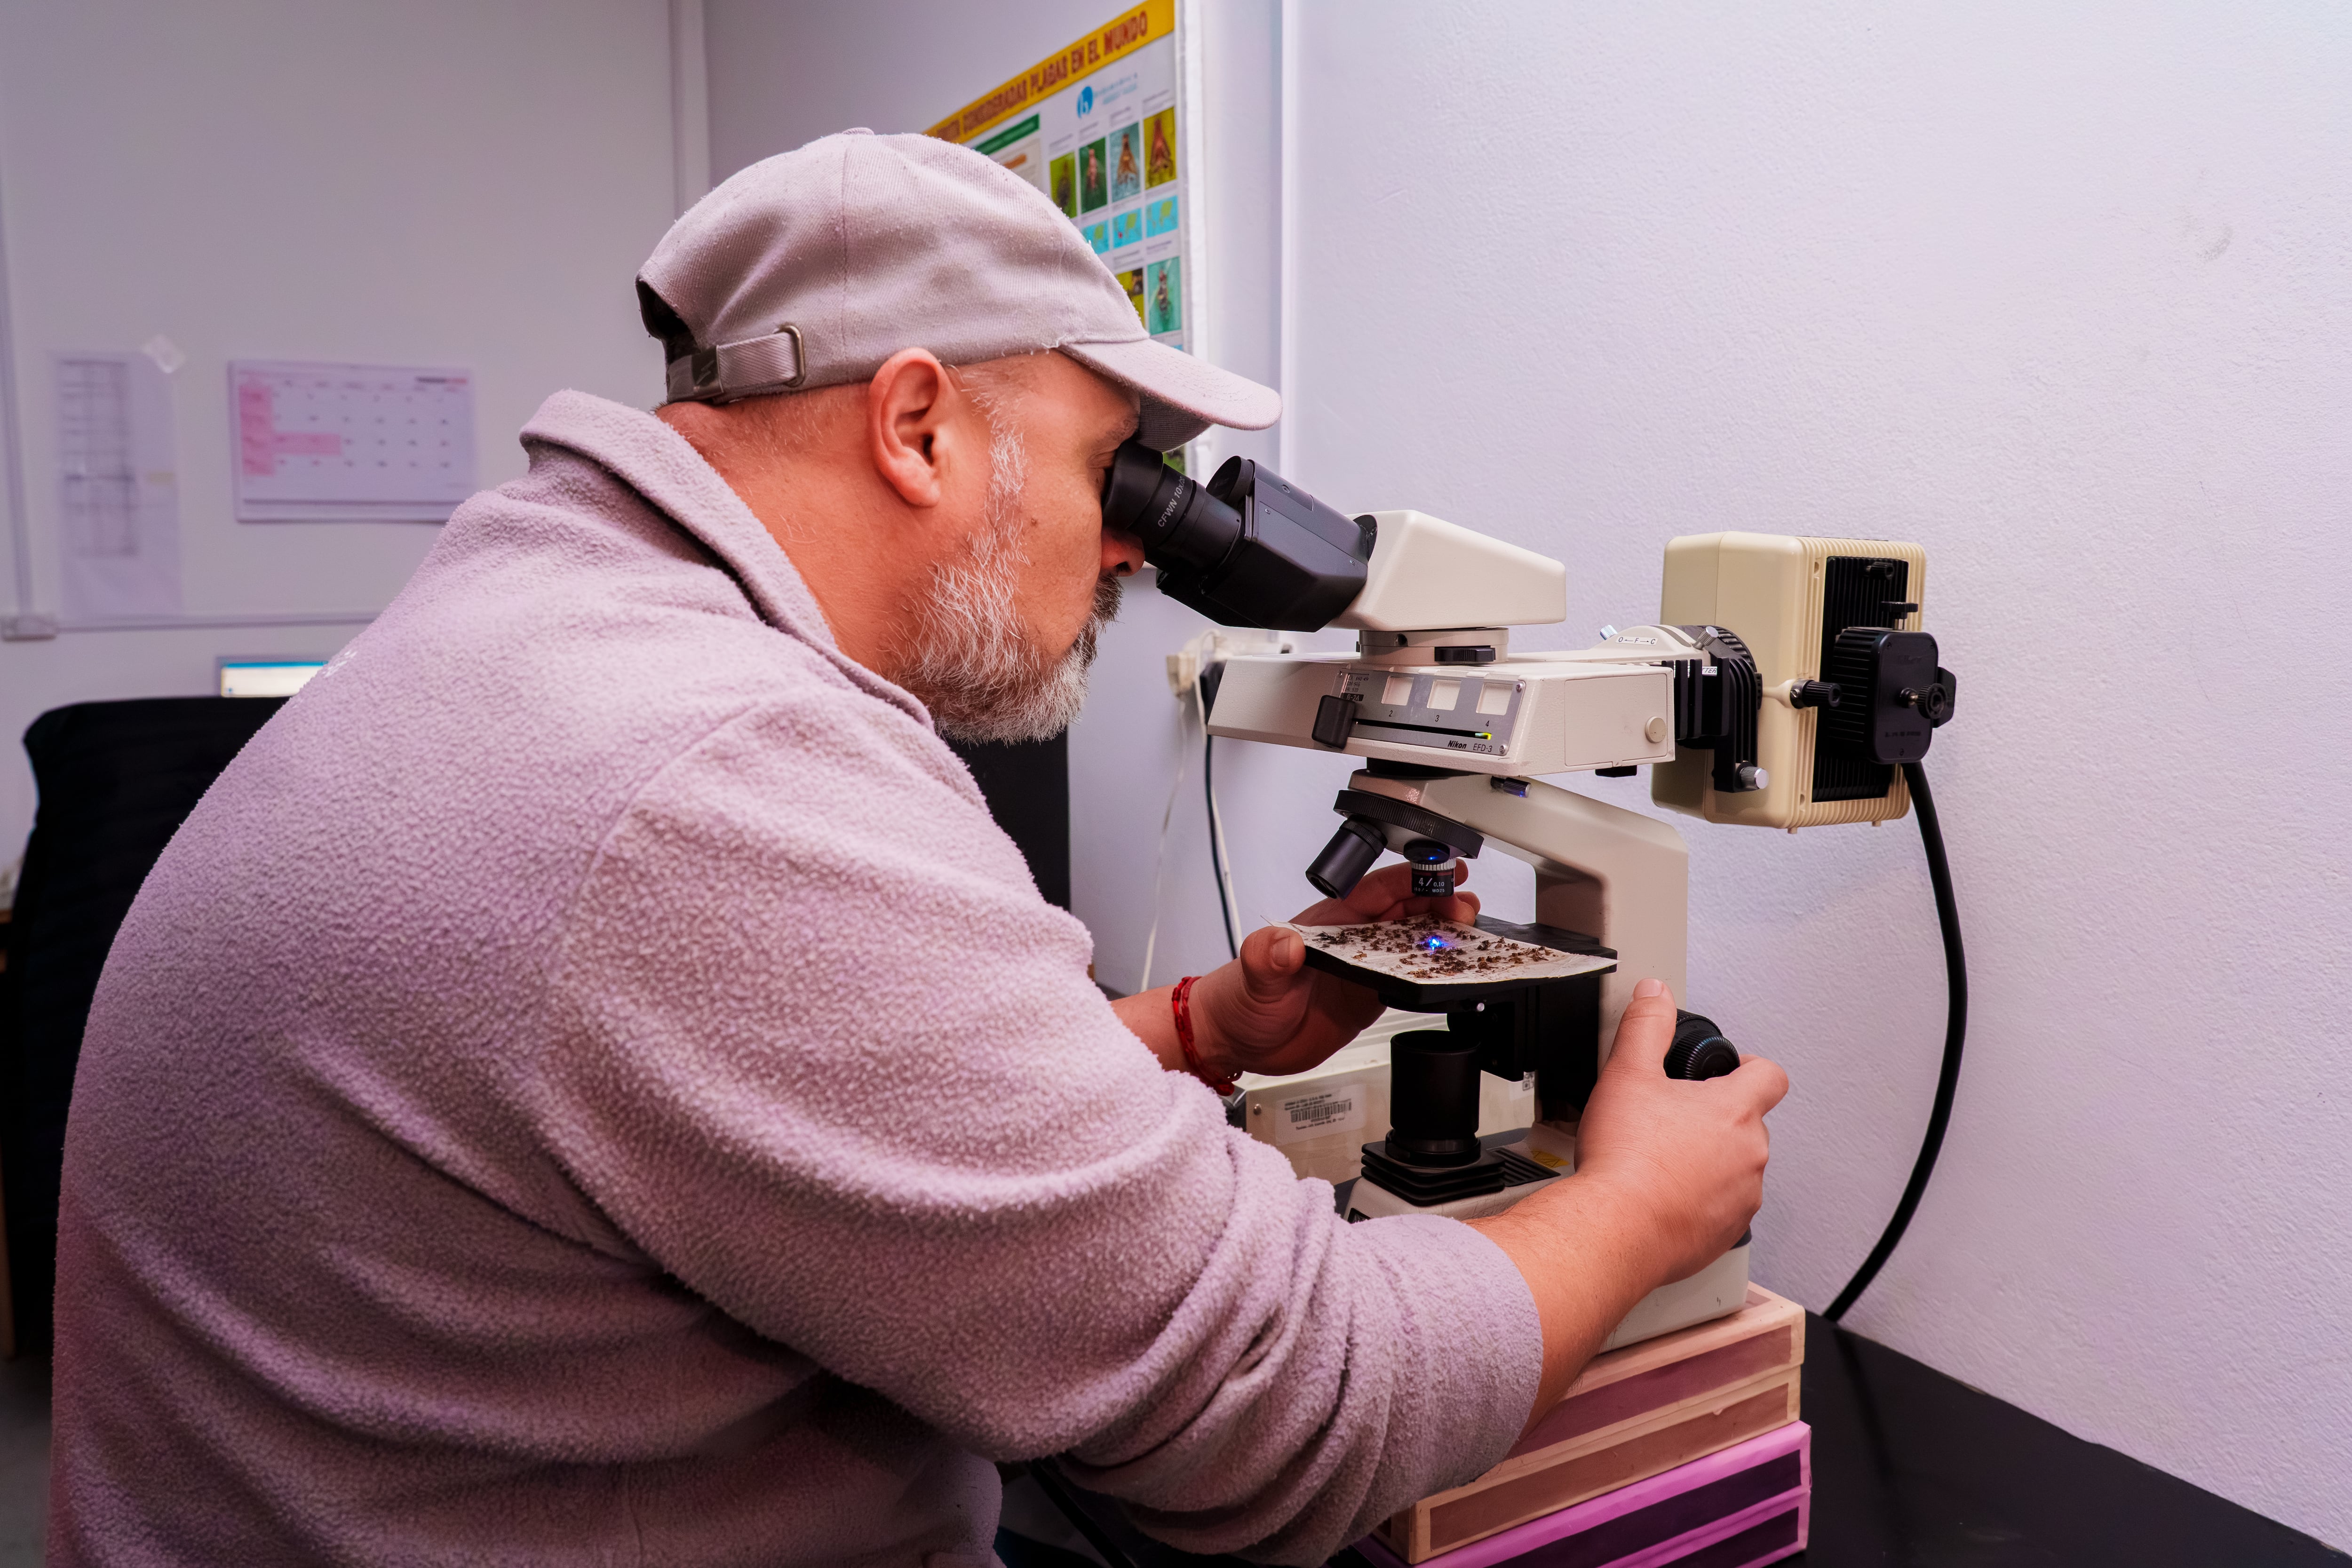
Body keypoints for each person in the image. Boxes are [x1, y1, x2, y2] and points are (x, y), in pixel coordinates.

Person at [48, 131, 1785, 1566]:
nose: (1133, 550)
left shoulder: (538, 626)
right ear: (918, 426)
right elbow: (1282, 1417)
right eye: (1115, 471)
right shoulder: (724, 774)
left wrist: (1179, 1036)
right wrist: (1641, 1206)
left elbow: (698, 1101)